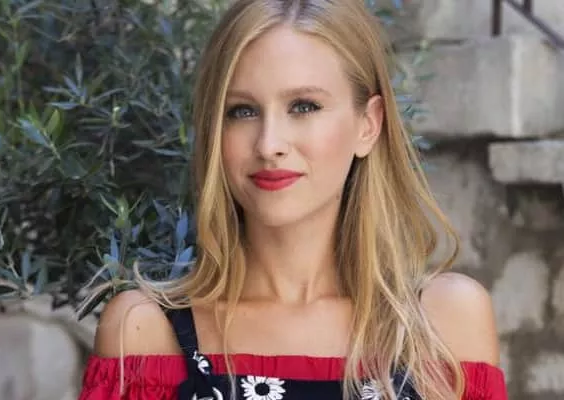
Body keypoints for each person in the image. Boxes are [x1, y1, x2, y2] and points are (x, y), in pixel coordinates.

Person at [78, 0, 508, 399]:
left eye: (303, 106)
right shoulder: (145, 333)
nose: (269, 144)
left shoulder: (443, 325)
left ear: (368, 124)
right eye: (242, 111)